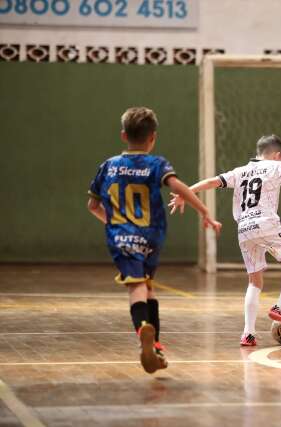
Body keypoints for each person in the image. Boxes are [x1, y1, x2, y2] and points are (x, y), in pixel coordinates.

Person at [87, 107, 221, 374]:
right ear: (153, 138)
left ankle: (143, 334)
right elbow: (177, 186)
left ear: (124, 135)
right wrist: (204, 211)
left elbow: (92, 205)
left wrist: (114, 223)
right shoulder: (156, 164)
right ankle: (156, 346)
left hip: (121, 237)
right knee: (148, 287)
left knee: (135, 288)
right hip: (152, 236)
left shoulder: (108, 166)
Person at [169, 135, 281, 346]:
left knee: (254, 281)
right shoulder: (275, 166)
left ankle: (248, 333)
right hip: (266, 224)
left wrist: (186, 193)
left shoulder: (239, 171)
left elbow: (211, 182)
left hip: (244, 230)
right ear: (277, 155)